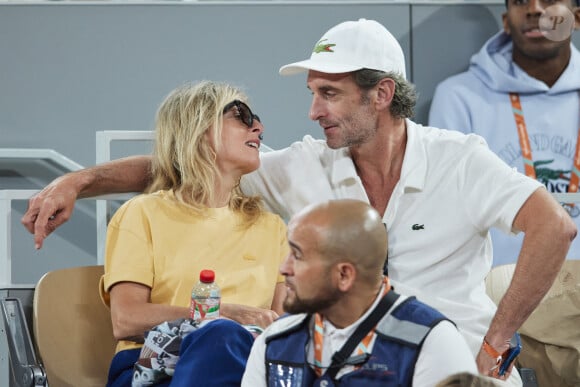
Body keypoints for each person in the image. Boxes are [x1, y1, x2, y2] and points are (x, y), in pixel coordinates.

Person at [21, 18, 577, 384]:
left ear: (381, 94)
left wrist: (496, 346)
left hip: (452, 368)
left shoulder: (461, 159)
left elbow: (553, 226)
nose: (313, 112)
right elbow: (184, 162)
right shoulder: (304, 163)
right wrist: (78, 182)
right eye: (312, 93)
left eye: (329, 94)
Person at [100, 81, 289, 386]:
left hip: (246, 367)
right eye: (241, 115)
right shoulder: (142, 214)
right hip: (151, 366)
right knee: (220, 334)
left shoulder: (273, 228)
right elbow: (126, 320)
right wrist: (223, 315)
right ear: (198, 128)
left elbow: (279, 330)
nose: (258, 126)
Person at [241, 199, 478, 386]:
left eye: (298, 256)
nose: (284, 268)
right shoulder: (275, 339)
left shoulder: (433, 342)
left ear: (344, 275)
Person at [429, 0, 580, 266]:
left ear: (576, 18)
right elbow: (447, 217)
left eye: (548, 0)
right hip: (497, 293)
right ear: (507, 22)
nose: (534, 9)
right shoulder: (459, 98)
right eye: (521, 2)